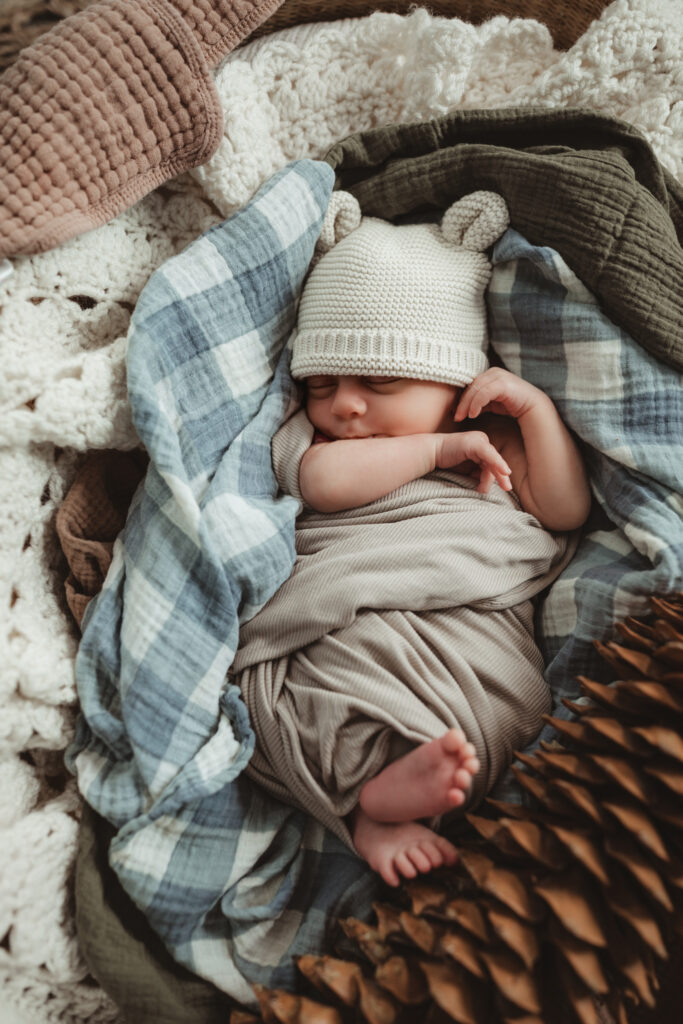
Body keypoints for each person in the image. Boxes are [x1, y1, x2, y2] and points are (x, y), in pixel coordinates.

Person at [232, 191, 591, 887]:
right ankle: (370, 798)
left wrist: (535, 411)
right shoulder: (323, 443)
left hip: (463, 623)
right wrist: (431, 451)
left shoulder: (495, 439)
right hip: (345, 601)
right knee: (329, 681)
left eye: (381, 380)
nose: (345, 405)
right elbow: (323, 484)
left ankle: (389, 797)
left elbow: (563, 510)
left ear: (454, 376)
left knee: (504, 704)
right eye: (321, 383)